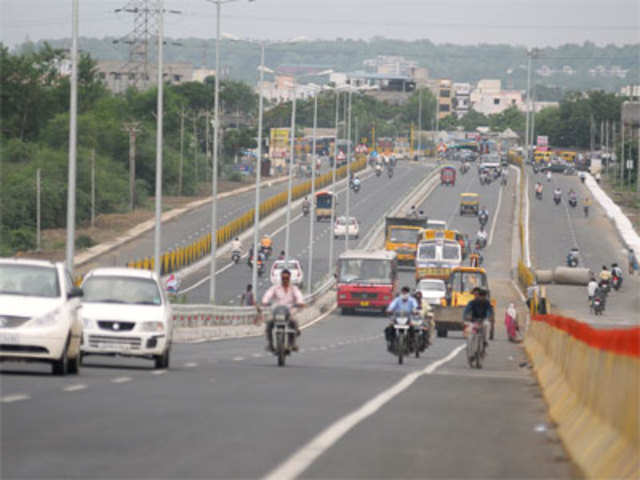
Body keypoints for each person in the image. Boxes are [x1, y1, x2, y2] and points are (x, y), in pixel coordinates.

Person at [262, 269, 304, 351]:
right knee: (269, 324)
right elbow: (268, 294)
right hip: (277, 312)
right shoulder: (275, 288)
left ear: (289, 278)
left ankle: (293, 343)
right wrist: (265, 301)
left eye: (286, 278)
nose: (285, 280)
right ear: (281, 278)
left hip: (289, 312)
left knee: (294, 323)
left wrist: (300, 302)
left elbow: (299, 296)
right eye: (283, 278)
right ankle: (270, 344)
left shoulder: (293, 288)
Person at [385, 286, 418, 350]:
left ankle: (412, 342)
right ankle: (390, 341)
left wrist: (415, 310)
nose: (404, 294)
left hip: (408, 318)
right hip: (397, 318)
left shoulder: (412, 300)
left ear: (408, 293)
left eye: (406, 292)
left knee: (413, 329)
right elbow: (392, 305)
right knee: (389, 328)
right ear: (401, 292)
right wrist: (389, 310)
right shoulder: (397, 299)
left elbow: (415, 306)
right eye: (403, 292)